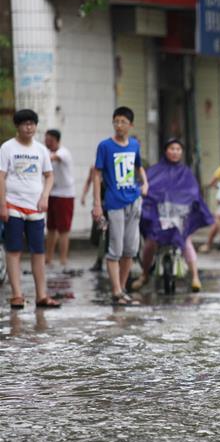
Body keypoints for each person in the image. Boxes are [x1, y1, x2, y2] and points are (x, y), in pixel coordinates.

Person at [132, 138, 213, 293]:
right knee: (150, 244)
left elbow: (193, 193)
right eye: (172, 149)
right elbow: (147, 190)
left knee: (186, 242)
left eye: (178, 149)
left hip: (179, 218)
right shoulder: (154, 171)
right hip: (158, 217)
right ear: (165, 151)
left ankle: (195, 276)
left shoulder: (187, 173)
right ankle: (144, 275)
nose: (175, 152)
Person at [0, 109, 61, 309]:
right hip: (13, 205)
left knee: (38, 252)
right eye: (25, 124)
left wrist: (45, 197)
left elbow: (49, 175)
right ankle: (17, 295)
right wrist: (2, 205)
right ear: (17, 126)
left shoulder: (41, 150)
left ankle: (41, 295)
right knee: (14, 250)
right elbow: (1, 177)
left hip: (36, 208)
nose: (29, 127)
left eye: (32, 124)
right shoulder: (7, 148)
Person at [93, 106, 149, 305]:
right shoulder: (105, 146)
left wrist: (145, 183)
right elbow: (97, 175)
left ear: (131, 125)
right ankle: (116, 291)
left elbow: (138, 166)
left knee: (130, 249)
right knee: (115, 248)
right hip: (114, 201)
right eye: (116, 121)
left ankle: (122, 289)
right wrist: (97, 204)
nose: (119, 125)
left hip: (134, 200)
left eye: (123, 122)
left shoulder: (134, 144)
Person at [43, 129, 75, 267]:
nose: (47, 142)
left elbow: (53, 158)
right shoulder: (47, 152)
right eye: (46, 139)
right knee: (50, 228)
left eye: (50, 140)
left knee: (63, 229)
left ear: (57, 140)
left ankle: (63, 260)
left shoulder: (63, 152)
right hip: (52, 194)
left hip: (65, 195)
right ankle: (48, 258)